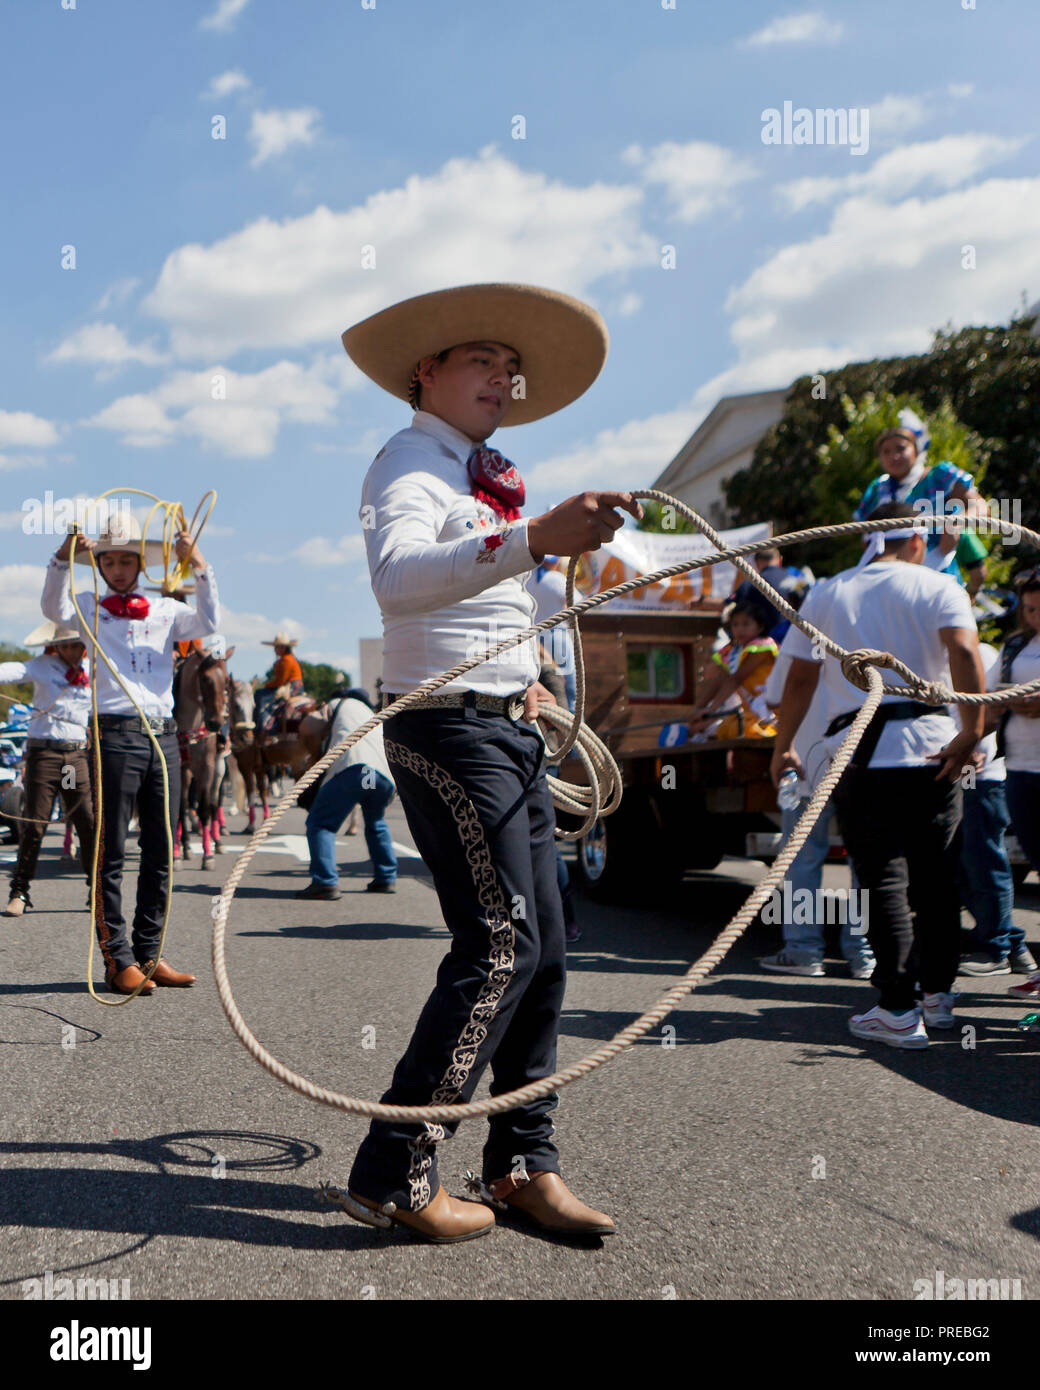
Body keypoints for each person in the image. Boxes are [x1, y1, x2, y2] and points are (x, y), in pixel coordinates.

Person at [339, 281, 639, 1242]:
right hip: (444, 727)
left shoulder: (477, 476)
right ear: (424, 371)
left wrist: (532, 673)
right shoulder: (408, 464)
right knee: (502, 943)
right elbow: (398, 583)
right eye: (482, 361)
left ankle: (521, 1163)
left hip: (505, 721)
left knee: (546, 949)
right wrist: (535, 536)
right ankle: (395, 1170)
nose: (503, 380)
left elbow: (491, 606)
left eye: (510, 369)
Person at [770, 502, 985, 1049]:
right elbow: (963, 650)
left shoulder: (829, 592)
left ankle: (895, 1007)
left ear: (868, 538)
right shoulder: (939, 586)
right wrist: (972, 732)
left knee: (882, 881)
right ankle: (936, 998)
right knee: (937, 880)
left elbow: (798, 680)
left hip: (860, 755)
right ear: (917, 539)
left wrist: (784, 747)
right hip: (935, 750)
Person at [41, 518, 219, 996]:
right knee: (112, 848)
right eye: (108, 561)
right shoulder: (88, 607)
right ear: (97, 566)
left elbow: (209, 623)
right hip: (114, 734)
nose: (117, 569)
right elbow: (50, 605)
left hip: (164, 736)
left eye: (125, 560)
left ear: (141, 563)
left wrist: (198, 565)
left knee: (163, 847)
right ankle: (117, 958)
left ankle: (149, 953)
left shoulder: (166, 608)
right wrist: (62, 556)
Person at [757, 638, 875, 979]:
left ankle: (804, 950)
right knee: (865, 863)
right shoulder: (872, 635)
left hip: (810, 762)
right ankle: (863, 952)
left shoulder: (806, 633)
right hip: (862, 760)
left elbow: (776, 695)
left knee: (802, 858)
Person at [0, 621, 95, 917]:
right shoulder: (42, 665)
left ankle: (98, 890)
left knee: (86, 821)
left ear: (84, 645)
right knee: (35, 824)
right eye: (63, 645)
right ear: (55, 646)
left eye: (74, 644)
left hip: (73, 759)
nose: (68, 650)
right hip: (46, 757)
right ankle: (20, 891)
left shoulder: (95, 669)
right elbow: (13, 671)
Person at [956, 642, 1036, 977]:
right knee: (958, 862)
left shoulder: (980, 653)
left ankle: (999, 947)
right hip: (951, 768)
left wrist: (973, 755)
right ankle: (1012, 945)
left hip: (978, 774)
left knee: (983, 859)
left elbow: (990, 710)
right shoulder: (921, 653)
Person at [854, 409, 989, 583]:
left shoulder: (939, 476)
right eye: (885, 452)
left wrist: (956, 523)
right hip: (892, 582)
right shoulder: (877, 489)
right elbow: (866, 538)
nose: (893, 456)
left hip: (940, 578)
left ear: (916, 450)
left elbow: (980, 507)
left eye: (900, 448)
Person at [296, 687, 397, 899]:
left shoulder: (338, 704)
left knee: (321, 824)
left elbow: (307, 726)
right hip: (380, 774)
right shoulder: (371, 714)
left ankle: (325, 882)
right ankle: (386, 877)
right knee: (375, 822)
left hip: (354, 767)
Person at [994, 571, 1040, 1000]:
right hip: (1020, 767)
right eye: (1029, 608)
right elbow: (986, 692)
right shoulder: (1013, 645)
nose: (1036, 615)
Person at [689, 602, 777, 740]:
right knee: (724, 729)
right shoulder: (732, 651)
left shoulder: (762, 647)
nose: (740, 629)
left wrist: (711, 711)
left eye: (746, 624)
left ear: (760, 627)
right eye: (735, 624)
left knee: (744, 730)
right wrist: (697, 710)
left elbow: (736, 679)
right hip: (751, 710)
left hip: (771, 707)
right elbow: (719, 681)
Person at [256, 633, 303, 736]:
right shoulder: (288, 659)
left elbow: (281, 681)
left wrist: (267, 685)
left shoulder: (286, 660)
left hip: (291, 687)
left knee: (260, 697)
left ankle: (265, 727)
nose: (274, 650)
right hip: (295, 686)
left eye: (276, 647)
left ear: (283, 648)